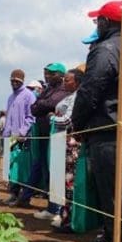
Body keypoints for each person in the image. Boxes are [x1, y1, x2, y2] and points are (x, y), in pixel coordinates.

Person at [70, 0, 122, 242]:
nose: (96, 25)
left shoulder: (105, 50)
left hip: (109, 134)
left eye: (97, 21)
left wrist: (78, 124)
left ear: (105, 22)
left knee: (115, 201)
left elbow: (90, 90)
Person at [22, 62, 70, 220]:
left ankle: (56, 208)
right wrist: (42, 105)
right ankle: (51, 207)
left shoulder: (64, 90)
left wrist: (41, 104)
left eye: (51, 73)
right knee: (45, 169)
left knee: (55, 171)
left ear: (61, 75)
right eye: (46, 73)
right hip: (43, 135)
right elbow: (34, 108)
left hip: (56, 136)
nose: (47, 76)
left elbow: (50, 103)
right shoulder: (48, 89)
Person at [52, 68, 84, 231]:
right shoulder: (71, 96)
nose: (64, 82)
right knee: (65, 183)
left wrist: (52, 118)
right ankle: (66, 218)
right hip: (64, 144)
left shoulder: (78, 97)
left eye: (67, 80)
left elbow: (67, 120)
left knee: (69, 183)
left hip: (71, 146)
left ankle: (69, 221)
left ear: (77, 82)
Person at [3, 69, 36, 205]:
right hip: (12, 139)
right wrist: (5, 133)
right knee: (13, 168)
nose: (14, 83)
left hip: (25, 138)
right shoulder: (11, 97)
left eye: (17, 81)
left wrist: (22, 132)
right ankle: (13, 194)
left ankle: (23, 198)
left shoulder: (29, 96)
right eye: (12, 80)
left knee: (22, 168)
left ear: (22, 81)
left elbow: (31, 116)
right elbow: (9, 118)